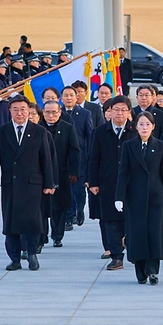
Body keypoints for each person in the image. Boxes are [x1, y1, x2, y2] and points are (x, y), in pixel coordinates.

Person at [0, 96, 55, 271]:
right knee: (10, 223)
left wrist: (49, 184)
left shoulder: (39, 132)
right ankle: (15, 258)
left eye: (23, 109)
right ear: (9, 111)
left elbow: (46, 160)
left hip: (33, 184)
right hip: (11, 183)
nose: (19, 113)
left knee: (33, 221)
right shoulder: (2, 131)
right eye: (16, 109)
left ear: (29, 111)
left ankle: (32, 254)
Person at [115, 111, 163, 285]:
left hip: (156, 197)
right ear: (135, 126)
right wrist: (119, 196)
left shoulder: (161, 146)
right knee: (137, 234)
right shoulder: (128, 146)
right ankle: (140, 270)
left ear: (153, 126)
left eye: (148, 124)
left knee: (154, 234)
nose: (144, 127)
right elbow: (123, 173)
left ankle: (153, 271)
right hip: (134, 197)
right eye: (141, 124)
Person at [88, 95, 138, 271]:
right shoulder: (100, 131)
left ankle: (132, 249)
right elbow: (93, 158)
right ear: (109, 112)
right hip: (107, 182)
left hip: (132, 183)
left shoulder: (135, 130)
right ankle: (116, 257)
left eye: (123, 110)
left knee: (131, 219)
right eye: (115, 109)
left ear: (129, 112)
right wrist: (92, 181)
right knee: (110, 220)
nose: (119, 113)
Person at [41, 100, 79, 247]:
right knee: (43, 207)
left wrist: (74, 172)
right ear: (43, 113)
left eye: (54, 112)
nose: (51, 116)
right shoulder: (38, 128)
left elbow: (74, 150)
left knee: (60, 206)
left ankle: (57, 235)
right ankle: (41, 237)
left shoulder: (68, 128)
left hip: (62, 173)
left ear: (60, 113)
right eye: (47, 112)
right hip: (42, 174)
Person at [61, 85, 93, 228]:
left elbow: (90, 136)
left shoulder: (85, 113)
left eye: (71, 95)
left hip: (80, 159)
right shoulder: (57, 113)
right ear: (61, 98)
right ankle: (69, 217)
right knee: (67, 190)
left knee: (79, 190)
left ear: (76, 98)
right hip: (63, 159)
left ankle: (79, 210)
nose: (68, 98)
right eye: (66, 95)